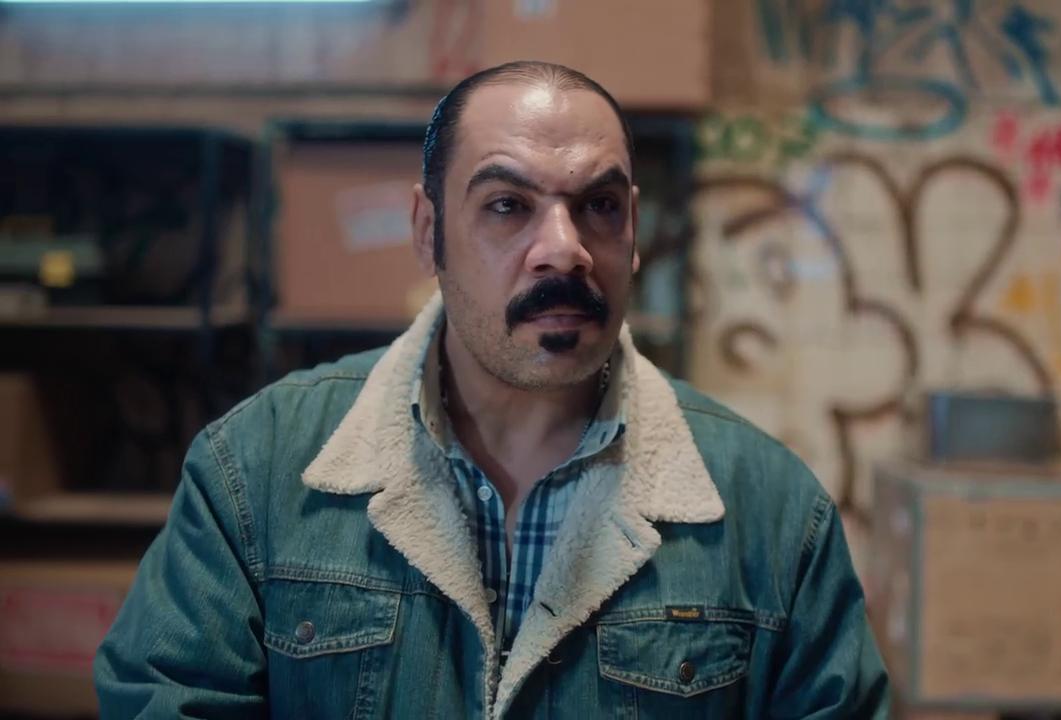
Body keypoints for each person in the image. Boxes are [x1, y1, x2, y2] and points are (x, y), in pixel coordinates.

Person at [94, 61, 890, 719]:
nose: (565, 250)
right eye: (507, 206)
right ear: (428, 230)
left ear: (634, 231)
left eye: (599, 206)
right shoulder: (257, 472)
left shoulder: (771, 513)